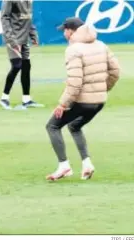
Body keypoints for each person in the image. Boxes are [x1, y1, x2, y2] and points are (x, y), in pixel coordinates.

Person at [45, 17, 120, 181]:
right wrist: (103, 88)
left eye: (65, 30)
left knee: (52, 126)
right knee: (74, 126)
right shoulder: (101, 45)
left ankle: (64, 166)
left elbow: (75, 82)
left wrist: (62, 104)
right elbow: (115, 71)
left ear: (71, 31)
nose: (64, 34)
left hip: (82, 101)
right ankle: (87, 164)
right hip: (99, 101)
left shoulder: (73, 49)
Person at [0, 0, 44, 110]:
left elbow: (28, 19)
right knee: (17, 65)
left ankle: (26, 100)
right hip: (13, 39)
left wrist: (33, 35)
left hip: (24, 40)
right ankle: (4, 98)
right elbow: (4, 18)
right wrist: (11, 40)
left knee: (26, 66)